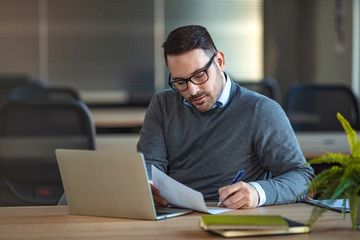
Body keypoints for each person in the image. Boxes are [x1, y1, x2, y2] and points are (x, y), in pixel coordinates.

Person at [137, 25, 314, 209]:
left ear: (220, 61)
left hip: (232, 219)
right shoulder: (162, 105)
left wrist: (258, 193)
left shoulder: (260, 110)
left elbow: (305, 180)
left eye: (199, 75)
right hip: (173, 217)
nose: (192, 90)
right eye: (180, 82)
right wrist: (148, 187)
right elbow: (150, 167)